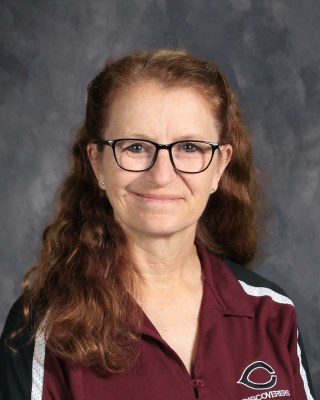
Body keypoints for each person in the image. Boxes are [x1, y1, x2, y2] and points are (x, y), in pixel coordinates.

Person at [0, 49, 316, 400]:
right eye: (135, 146)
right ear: (97, 164)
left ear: (220, 167)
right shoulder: (46, 328)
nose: (162, 175)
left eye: (189, 148)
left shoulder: (271, 311)